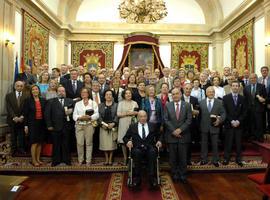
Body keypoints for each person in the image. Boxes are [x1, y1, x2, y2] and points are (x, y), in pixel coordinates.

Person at [123, 110, 162, 188]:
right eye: (141, 116)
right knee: (137, 153)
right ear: (137, 118)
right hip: (137, 148)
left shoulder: (152, 125)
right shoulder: (132, 126)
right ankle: (137, 178)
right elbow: (125, 138)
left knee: (152, 152)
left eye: (144, 116)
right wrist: (128, 142)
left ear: (147, 117)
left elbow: (159, 135)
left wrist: (159, 141)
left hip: (149, 147)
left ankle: (152, 178)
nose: (143, 118)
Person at [164, 88, 192, 183]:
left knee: (183, 157)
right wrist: (174, 131)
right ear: (171, 96)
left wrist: (180, 130)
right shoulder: (168, 105)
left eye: (177, 94)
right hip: (171, 136)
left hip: (184, 135)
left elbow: (189, 120)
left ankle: (183, 174)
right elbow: (166, 120)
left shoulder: (187, 105)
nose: (175, 95)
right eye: (173, 94)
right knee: (173, 158)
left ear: (181, 94)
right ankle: (175, 174)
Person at [45, 86, 74, 166]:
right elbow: (47, 114)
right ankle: (56, 160)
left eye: (63, 91)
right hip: (55, 127)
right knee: (56, 144)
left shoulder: (70, 101)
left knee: (66, 144)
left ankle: (66, 160)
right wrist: (49, 125)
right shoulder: (51, 101)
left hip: (67, 126)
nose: (61, 92)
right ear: (57, 92)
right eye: (60, 91)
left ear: (65, 92)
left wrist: (71, 112)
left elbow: (75, 113)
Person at [199, 86, 226, 167]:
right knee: (204, 144)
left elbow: (223, 113)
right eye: (209, 92)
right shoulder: (201, 102)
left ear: (214, 93)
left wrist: (219, 120)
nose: (211, 93)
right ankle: (203, 160)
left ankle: (215, 160)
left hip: (215, 126)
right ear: (206, 93)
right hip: (204, 127)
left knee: (215, 144)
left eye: (212, 92)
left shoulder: (220, 102)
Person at [223, 81, 247, 167]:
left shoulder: (242, 98)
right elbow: (224, 111)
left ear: (239, 87)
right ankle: (226, 159)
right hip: (229, 124)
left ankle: (239, 159)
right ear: (231, 87)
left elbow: (244, 112)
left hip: (239, 125)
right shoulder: (225, 98)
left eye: (237, 86)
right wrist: (231, 121)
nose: (235, 87)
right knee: (228, 142)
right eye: (233, 86)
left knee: (238, 143)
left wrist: (238, 121)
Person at [73, 87, 99, 165]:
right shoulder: (77, 103)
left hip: (89, 125)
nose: (83, 94)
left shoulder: (93, 103)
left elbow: (97, 114)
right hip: (79, 125)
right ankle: (80, 160)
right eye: (82, 93)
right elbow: (74, 115)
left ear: (88, 94)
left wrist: (90, 117)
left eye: (85, 92)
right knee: (79, 143)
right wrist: (80, 117)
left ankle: (88, 161)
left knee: (89, 143)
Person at [23, 85, 47, 167]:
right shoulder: (28, 101)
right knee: (34, 142)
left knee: (40, 142)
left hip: (41, 124)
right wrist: (25, 125)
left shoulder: (43, 100)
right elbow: (25, 114)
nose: (35, 91)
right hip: (32, 124)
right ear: (31, 91)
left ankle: (38, 159)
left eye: (36, 89)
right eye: (33, 89)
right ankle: (33, 160)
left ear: (39, 91)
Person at [5, 80, 28, 155]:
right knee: (13, 135)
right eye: (18, 86)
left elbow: (26, 107)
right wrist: (14, 117)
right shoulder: (9, 95)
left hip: (22, 119)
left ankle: (21, 149)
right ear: (15, 87)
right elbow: (8, 107)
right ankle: (13, 149)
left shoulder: (27, 95)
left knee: (21, 135)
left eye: (21, 86)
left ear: (23, 87)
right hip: (12, 119)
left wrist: (22, 116)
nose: (19, 87)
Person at [117, 88, 139, 164]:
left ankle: (131, 157)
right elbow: (118, 114)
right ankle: (125, 158)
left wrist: (134, 113)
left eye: (129, 93)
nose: (128, 95)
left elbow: (137, 113)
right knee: (123, 141)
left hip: (132, 123)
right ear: (124, 95)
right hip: (123, 123)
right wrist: (127, 113)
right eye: (126, 93)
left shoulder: (135, 103)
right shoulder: (121, 103)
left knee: (132, 140)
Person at [244, 73, 267, 141]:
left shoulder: (262, 86)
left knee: (259, 123)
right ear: (249, 79)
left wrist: (263, 100)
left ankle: (259, 137)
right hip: (249, 109)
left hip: (258, 108)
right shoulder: (246, 87)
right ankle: (252, 136)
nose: (252, 79)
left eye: (254, 78)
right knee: (251, 123)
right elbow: (245, 99)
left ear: (256, 78)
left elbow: (265, 97)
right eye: (251, 78)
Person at [98, 90, 118, 165]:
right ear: (104, 96)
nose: (109, 96)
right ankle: (106, 158)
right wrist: (101, 124)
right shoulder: (100, 105)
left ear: (112, 96)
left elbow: (117, 115)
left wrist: (114, 123)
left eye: (110, 94)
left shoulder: (116, 105)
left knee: (112, 144)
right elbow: (98, 116)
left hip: (112, 126)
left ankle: (110, 158)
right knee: (105, 144)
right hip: (103, 126)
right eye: (107, 94)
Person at [182, 83, 200, 165]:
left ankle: (188, 160)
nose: (188, 90)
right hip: (181, 125)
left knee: (189, 143)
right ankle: (181, 161)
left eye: (190, 89)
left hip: (191, 125)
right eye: (186, 88)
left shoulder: (194, 99)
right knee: (182, 144)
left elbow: (197, 111)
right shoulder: (179, 98)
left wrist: (195, 112)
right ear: (183, 89)